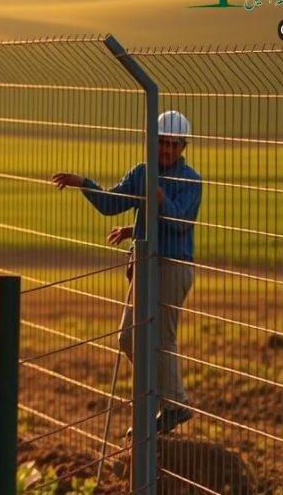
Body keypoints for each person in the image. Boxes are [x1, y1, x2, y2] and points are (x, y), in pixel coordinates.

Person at [51, 110, 201, 435]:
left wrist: (161, 201)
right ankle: (159, 400)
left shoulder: (191, 181)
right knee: (129, 338)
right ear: (153, 142)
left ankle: (173, 405)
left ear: (183, 147)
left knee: (161, 338)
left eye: (174, 145)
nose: (167, 150)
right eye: (162, 143)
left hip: (172, 267)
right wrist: (84, 184)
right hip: (146, 264)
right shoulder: (142, 173)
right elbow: (112, 203)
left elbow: (180, 225)